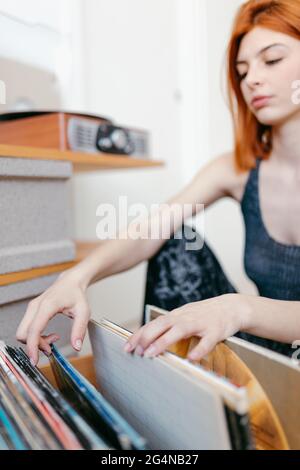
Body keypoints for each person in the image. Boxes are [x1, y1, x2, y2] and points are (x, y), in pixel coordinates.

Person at [17, 0, 300, 366]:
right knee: (175, 242)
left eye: (272, 59)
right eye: (242, 70)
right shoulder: (236, 169)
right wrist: (77, 278)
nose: (252, 79)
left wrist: (239, 307)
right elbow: (150, 229)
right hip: (265, 355)